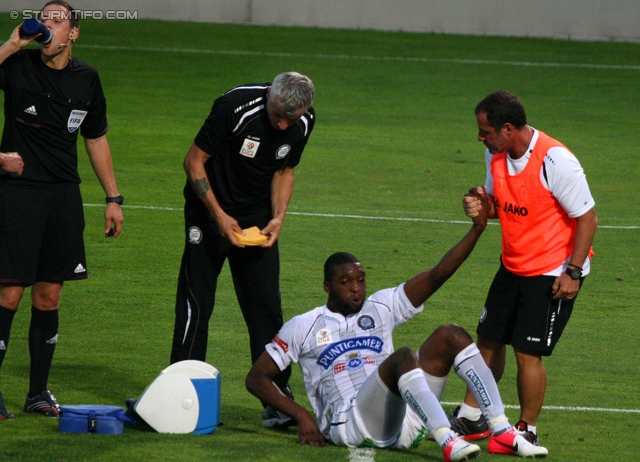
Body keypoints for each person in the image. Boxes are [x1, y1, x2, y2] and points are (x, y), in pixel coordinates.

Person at [246, 200, 548, 460]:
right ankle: (447, 439)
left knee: (451, 335)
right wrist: (300, 415)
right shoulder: (303, 325)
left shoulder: (380, 306)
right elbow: (256, 377)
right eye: (346, 282)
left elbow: (436, 275)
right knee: (403, 357)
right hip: (351, 423)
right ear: (327, 286)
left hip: (404, 421)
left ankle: (501, 430)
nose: (356, 289)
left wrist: (477, 229)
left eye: (361, 280)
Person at [449, 91, 597, 447]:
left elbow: (587, 218)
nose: (480, 138)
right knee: (488, 341)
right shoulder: (495, 154)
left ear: (509, 128)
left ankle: (527, 427)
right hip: (513, 264)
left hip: (552, 270)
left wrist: (573, 272)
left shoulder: (556, 161)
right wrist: (479, 203)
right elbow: (499, 204)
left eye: (485, 131)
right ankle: (471, 417)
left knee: (526, 352)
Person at [0, 1, 124, 420]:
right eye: (44, 17)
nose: (48, 24)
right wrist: (12, 44)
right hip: (18, 195)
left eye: (58, 19)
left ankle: (37, 393)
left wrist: (113, 197)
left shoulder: (87, 78)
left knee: (49, 296)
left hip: (63, 198)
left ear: (73, 33)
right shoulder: (16, 64)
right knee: (9, 293)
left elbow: (95, 137)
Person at [170, 72, 315, 428]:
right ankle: (178, 392)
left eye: (290, 120)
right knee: (197, 302)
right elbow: (193, 161)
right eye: (277, 114)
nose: (282, 125)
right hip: (208, 213)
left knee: (266, 305)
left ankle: (278, 401)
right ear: (270, 95)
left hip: (256, 221)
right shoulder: (235, 107)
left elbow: (284, 171)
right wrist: (218, 216)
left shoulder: (304, 121)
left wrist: (278, 217)